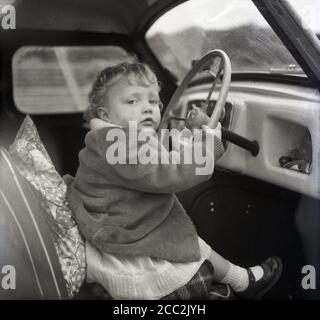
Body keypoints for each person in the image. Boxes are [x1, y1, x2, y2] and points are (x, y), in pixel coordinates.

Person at [65, 57, 282, 300]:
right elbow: (169, 173)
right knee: (187, 253)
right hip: (128, 239)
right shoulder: (118, 143)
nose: (148, 107)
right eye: (132, 101)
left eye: (154, 101)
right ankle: (224, 290)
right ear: (106, 114)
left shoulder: (116, 139)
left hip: (126, 221)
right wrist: (208, 146)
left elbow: (156, 163)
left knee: (193, 244)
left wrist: (191, 146)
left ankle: (242, 282)